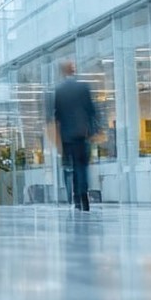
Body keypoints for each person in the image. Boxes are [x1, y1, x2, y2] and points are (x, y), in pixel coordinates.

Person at [51, 59, 99, 212]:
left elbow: (56, 115)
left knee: (70, 166)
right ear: (73, 70)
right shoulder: (83, 87)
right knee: (81, 166)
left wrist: (58, 138)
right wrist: (93, 131)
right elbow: (91, 111)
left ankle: (76, 198)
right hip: (81, 134)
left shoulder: (59, 90)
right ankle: (83, 195)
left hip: (66, 136)